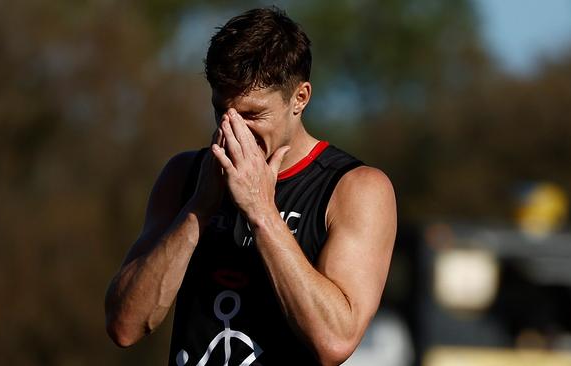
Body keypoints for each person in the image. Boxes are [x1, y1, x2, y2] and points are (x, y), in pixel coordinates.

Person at [104, 7, 396, 366]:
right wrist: (199, 208)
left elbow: (334, 341)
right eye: (221, 111)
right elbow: (125, 325)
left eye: (252, 115)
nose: (233, 130)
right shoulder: (184, 175)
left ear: (300, 98)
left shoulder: (355, 189)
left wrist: (261, 210)